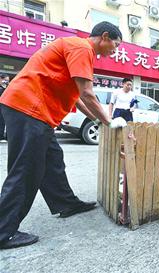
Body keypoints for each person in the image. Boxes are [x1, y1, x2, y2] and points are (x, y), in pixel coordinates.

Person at [0, 21, 126, 250]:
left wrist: (99, 120)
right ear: (104, 37)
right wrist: (109, 121)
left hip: (36, 112)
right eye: (115, 46)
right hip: (29, 108)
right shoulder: (82, 48)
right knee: (26, 170)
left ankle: (65, 203)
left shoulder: (76, 49)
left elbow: (77, 97)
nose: (114, 52)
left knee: (53, 161)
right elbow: (87, 93)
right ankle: (3, 232)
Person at [0, 74, 9, 142]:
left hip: (4, 108)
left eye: (7, 81)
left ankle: (4, 136)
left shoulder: (5, 88)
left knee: (4, 121)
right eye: (5, 80)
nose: (6, 82)